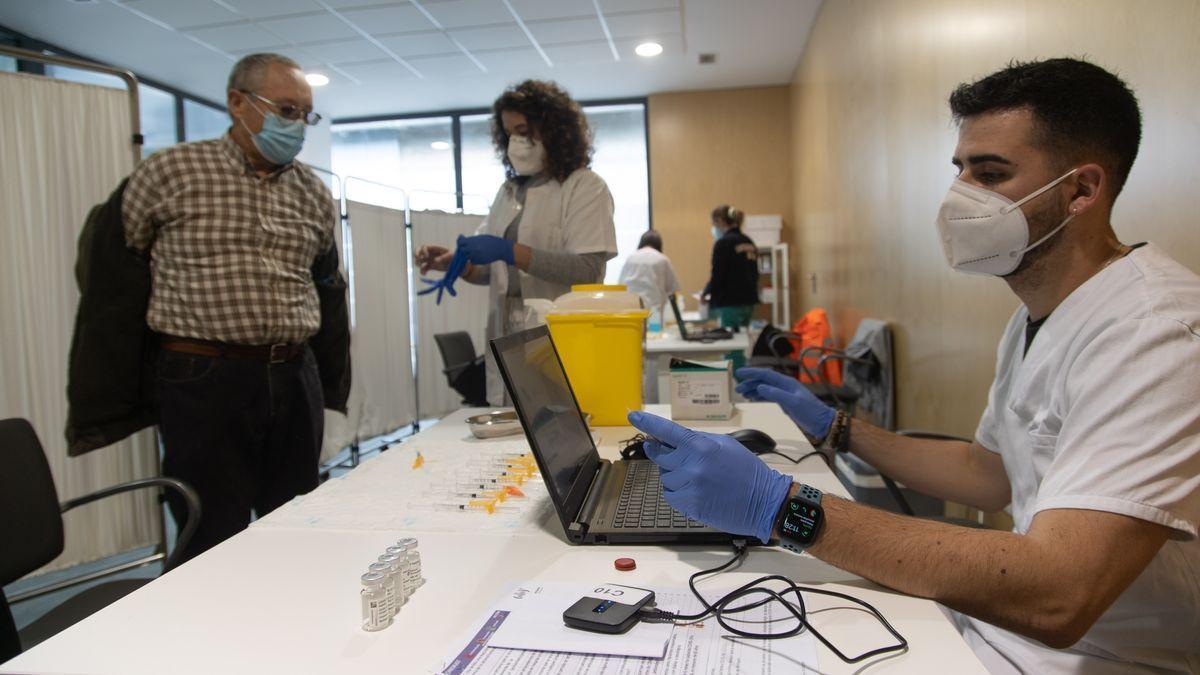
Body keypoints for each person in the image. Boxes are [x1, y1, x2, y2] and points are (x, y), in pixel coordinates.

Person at [627, 58, 1200, 673]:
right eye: (961, 170)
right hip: (996, 627)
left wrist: (781, 508)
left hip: (1091, 656)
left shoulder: (1154, 331)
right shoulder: (1041, 314)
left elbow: (1060, 594)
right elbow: (990, 473)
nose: (962, 196)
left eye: (991, 173)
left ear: (1082, 190)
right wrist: (836, 430)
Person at [117, 53, 350, 564]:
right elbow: (122, 264)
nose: (298, 126)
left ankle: (288, 627)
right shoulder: (170, 171)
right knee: (210, 530)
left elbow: (326, 283)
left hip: (292, 373)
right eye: (286, 109)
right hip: (203, 376)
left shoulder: (312, 192)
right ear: (237, 103)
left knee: (295, 520)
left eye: (306, 114)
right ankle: (204, 637)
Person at [414, 80, 617, 404]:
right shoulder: (508, 192)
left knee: (560, 427)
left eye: (523, 130)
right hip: (507, 335)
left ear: (553, 129)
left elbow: (587, 269)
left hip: (559, 336)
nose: (516, 142)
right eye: (509, 134)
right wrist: (460, 265)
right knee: (513, 436)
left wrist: (509, 251)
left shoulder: (584, 187)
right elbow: (496, 274)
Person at [702, 204, 758, 330]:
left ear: (720, 222)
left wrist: (706, 293)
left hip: (730, 303)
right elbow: (754, 273)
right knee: (742, 340)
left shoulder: (723, 243)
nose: (714, 229)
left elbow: (717, 275)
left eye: (714, 224)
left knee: (731, 343)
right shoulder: (748, 241)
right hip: (749, 301)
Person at [618, 230, 681, 321]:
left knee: (635, 333)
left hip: (631, 309)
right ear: (659, 244)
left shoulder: (631, 258)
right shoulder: (662, 259)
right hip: (654, 310)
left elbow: (620, 285)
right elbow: (672, 289)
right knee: (654, 333)